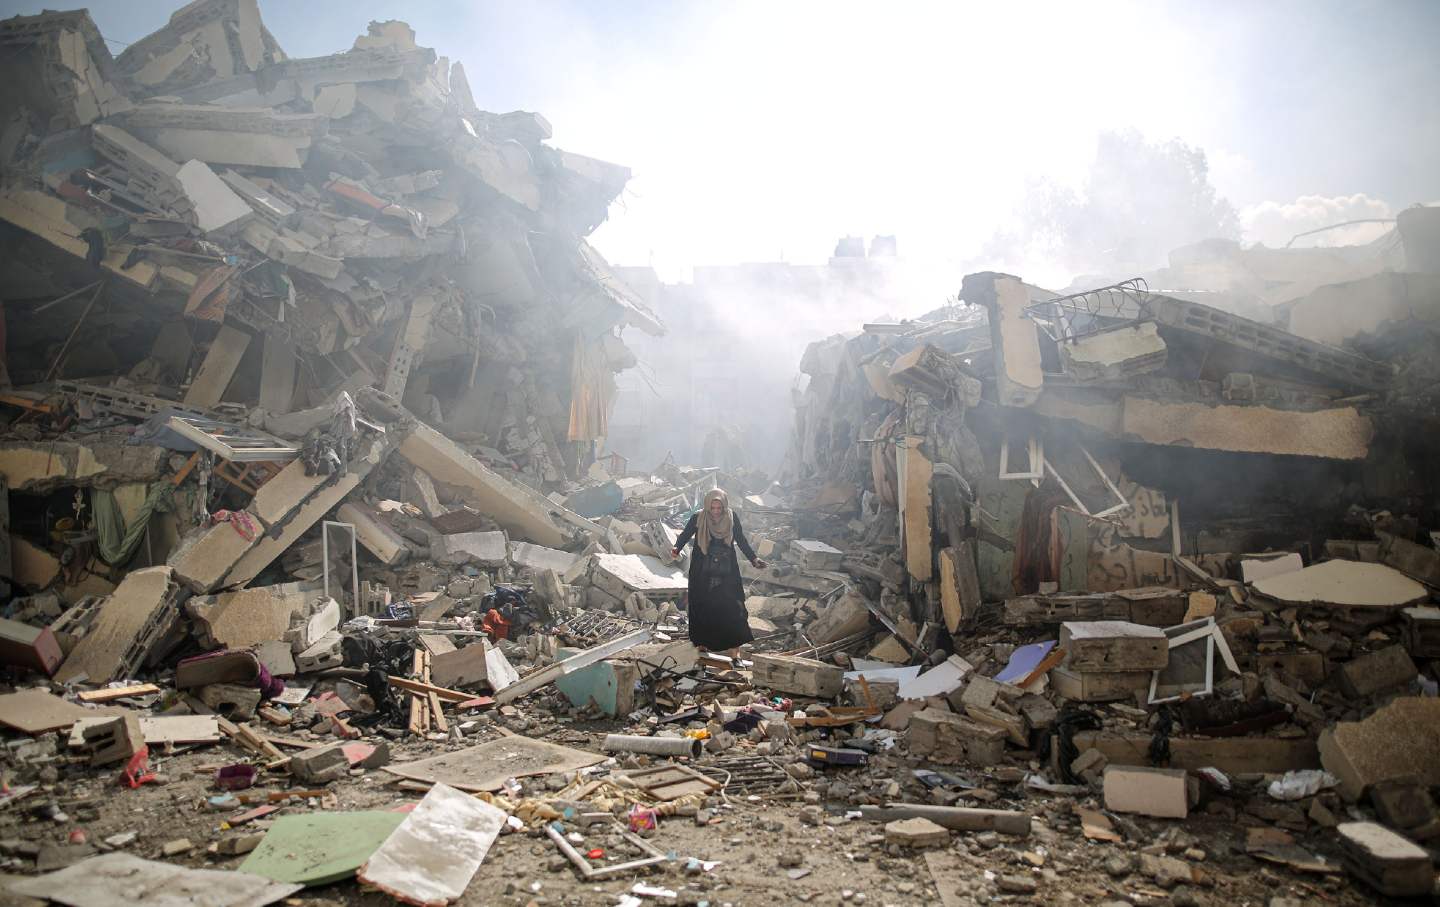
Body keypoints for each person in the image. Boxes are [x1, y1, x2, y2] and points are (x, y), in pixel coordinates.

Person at [669, 489, 766, 658]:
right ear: (707, 506)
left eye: (719, 508)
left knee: (732, 608)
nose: (715, 512)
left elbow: (741, 540)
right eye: (712, 508)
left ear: (724, 506)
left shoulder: (731, 517)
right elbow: (685, 535)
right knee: (701, 607)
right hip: (702, 571)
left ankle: (735, 653)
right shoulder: (698, 517)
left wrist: (753, 559)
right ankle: (702, 648)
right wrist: (677, 548)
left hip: (727, 570)